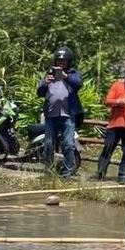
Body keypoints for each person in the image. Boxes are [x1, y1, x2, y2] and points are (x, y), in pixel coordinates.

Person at [36, 46, 84, 178]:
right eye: (59, 61)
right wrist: (45, 83)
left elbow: (78, 84)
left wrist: (65, 76)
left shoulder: (73, 74)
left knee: (68, 144)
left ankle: (68, 172)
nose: (61, 63)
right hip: (51, 116)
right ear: (55, 61)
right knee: (48, 144)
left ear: (69, 62)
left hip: (68, 116)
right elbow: (39, 92)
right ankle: (48, 171)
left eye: (64, 61)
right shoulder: (48, 74)